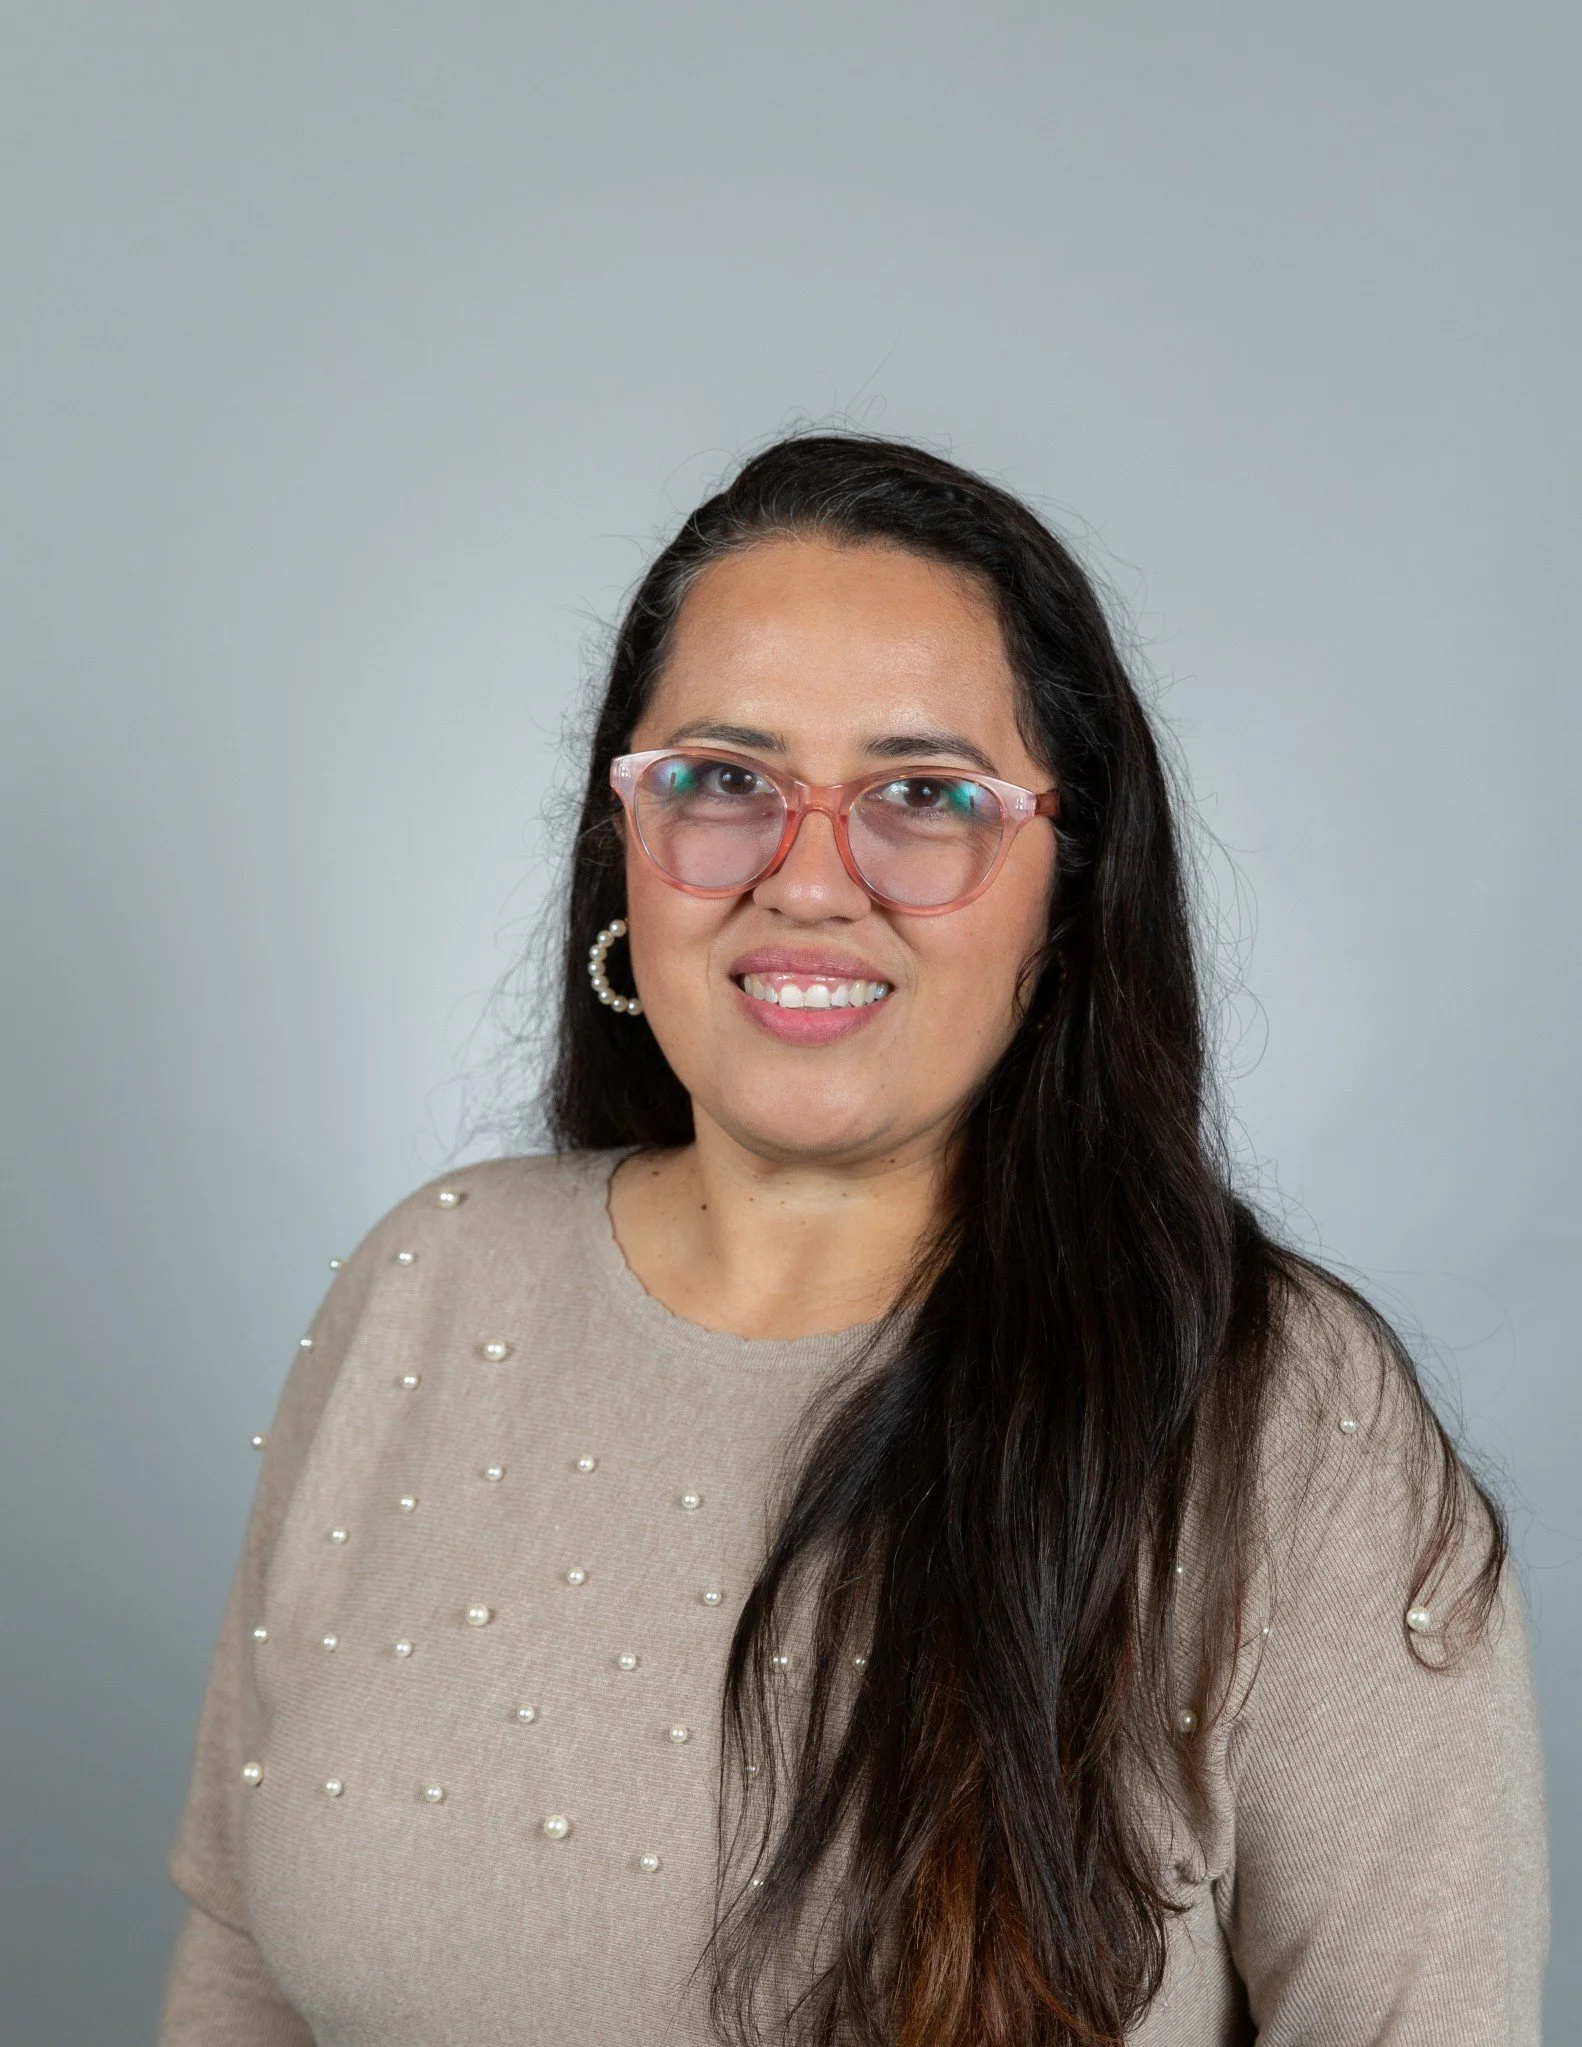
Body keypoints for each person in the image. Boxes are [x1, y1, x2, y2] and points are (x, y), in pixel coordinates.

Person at [159, 434, 1547, 2046]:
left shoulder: (1279, 1415)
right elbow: (239, 1969)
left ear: (1067, 890)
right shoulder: (431, 1282)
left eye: (924, 797)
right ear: (625, 843)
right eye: (724, 780)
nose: (809, 881)